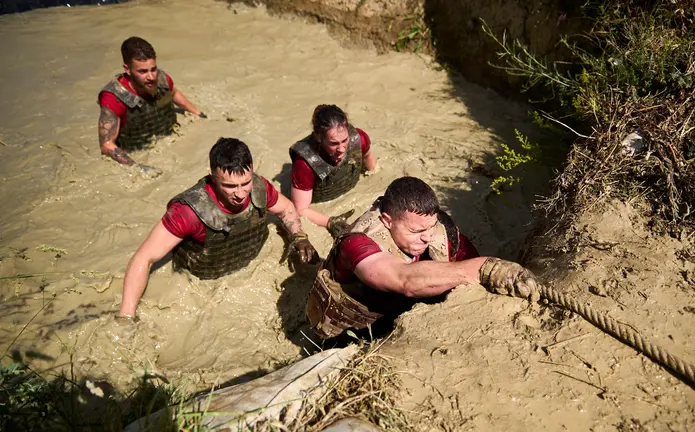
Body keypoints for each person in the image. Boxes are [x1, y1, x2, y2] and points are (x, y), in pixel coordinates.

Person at [306, 176, 539, 339]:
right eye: (416, 232)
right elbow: (404, 280)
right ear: (388, 221)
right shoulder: (356, 244)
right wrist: (484, 268)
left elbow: (470, 282)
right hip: (349, 328)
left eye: (431, 227)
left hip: (397, 313)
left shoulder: (438, 228)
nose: (427, 238)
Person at [117, 138, 318, 320]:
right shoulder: (188, 212)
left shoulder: (259, 187)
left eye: (245, 183)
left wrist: (299, 236)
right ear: (212, 177)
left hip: (247, 272)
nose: (240, 194)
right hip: (203, 283)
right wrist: (126, 317)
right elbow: (143, 258)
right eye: (230, 186)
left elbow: (287, 209)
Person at [97, 36, 205, 173]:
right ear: (127, 69)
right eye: (142, 71)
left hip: (168, 139)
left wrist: (198, 113)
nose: (151, 77)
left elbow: (173, 93)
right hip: (138, 150)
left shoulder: (162, 79)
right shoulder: (113, 98)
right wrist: (137, 167)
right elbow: (106, 145)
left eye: (153, 69)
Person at [289, 105, 376, 238]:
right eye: (333, 143)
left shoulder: (359, 139)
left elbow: (368, 158)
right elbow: (300, 210)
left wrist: (372, 175)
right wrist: (330, 222)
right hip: (321, 203)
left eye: (345, 140)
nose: (341, 149)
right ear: (318, 137)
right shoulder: (305, 163)